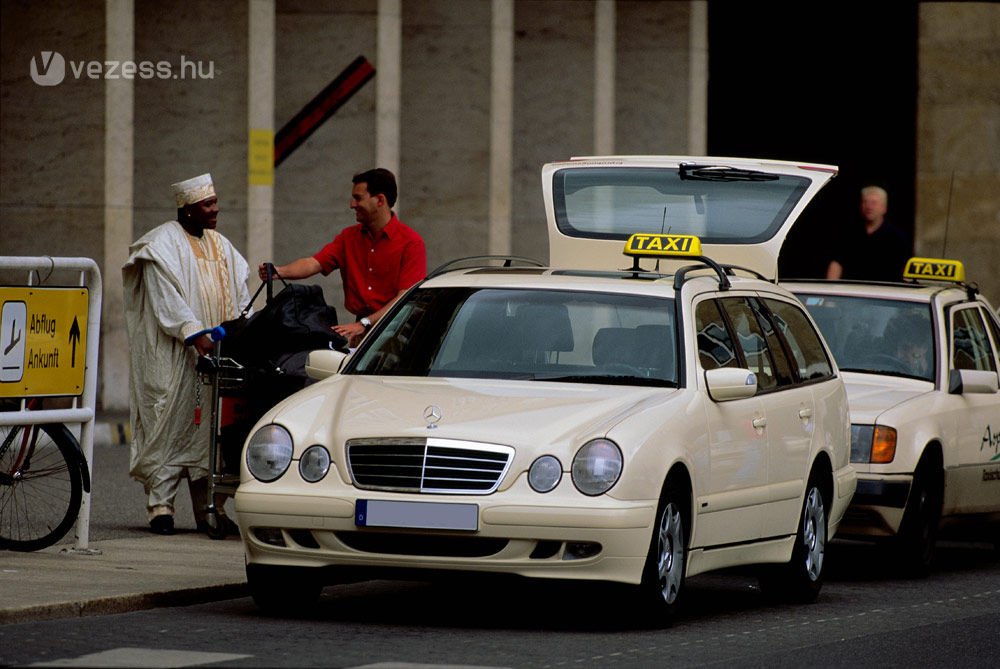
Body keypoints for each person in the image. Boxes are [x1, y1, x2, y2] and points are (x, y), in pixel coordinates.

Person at [122, 173, 251, 535]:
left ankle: (209, 508)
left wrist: (242, 330)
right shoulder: (161, 245)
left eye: (215, 202)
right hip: (173, 355)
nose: (216, 210)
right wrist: (195, 335)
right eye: (208, 205)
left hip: (215, 354)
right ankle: (160, 507)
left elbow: (241, 292)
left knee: (209, 433)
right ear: (188, 209)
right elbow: (167, 301)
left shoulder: (222, 245)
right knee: (169, 427)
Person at [260, 168, 426, 347]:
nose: (351, 204)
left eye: (358, 198)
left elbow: (406, 297)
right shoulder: (348, 237)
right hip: (360, 331)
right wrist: (279, 272)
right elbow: (314, 263)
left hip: (398, 332)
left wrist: (365, 323)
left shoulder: (411, 242)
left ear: (380, 200)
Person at [826, 185, 911, 282]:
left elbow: (905, 272)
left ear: (884, 208)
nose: (869, 207)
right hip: (851, 291)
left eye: (874, 203)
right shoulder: (849, 233)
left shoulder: (897, 238)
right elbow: (836, 263)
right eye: (865, 202)